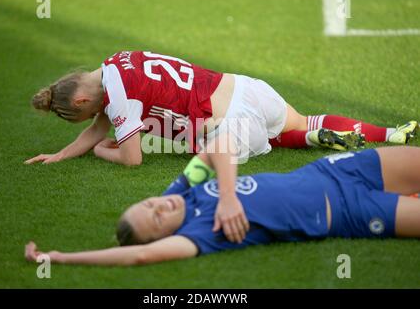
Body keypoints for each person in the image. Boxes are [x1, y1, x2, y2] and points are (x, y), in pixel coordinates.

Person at [25, 134, 420, 266]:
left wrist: (228, 197)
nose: (160, 208)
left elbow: (220, 145)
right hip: (351, 213)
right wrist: (60, 257)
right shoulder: (198, 234)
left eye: (149, 205)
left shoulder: (178, 194)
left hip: (333, 171)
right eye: (157, 220)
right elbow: (139, 256)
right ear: (165, 236)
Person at [25, 50, 417, 165]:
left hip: (229, 125)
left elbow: (131, 158)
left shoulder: (121, 99)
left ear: (80, 100)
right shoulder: (116, 60)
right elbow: (99, 121)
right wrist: (60, 155)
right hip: (246, 87)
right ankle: (394, 133)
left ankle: (302, 139)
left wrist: (99, 151)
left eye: (80, 113)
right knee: (303, 120)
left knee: (206, 149)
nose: (97, 120)